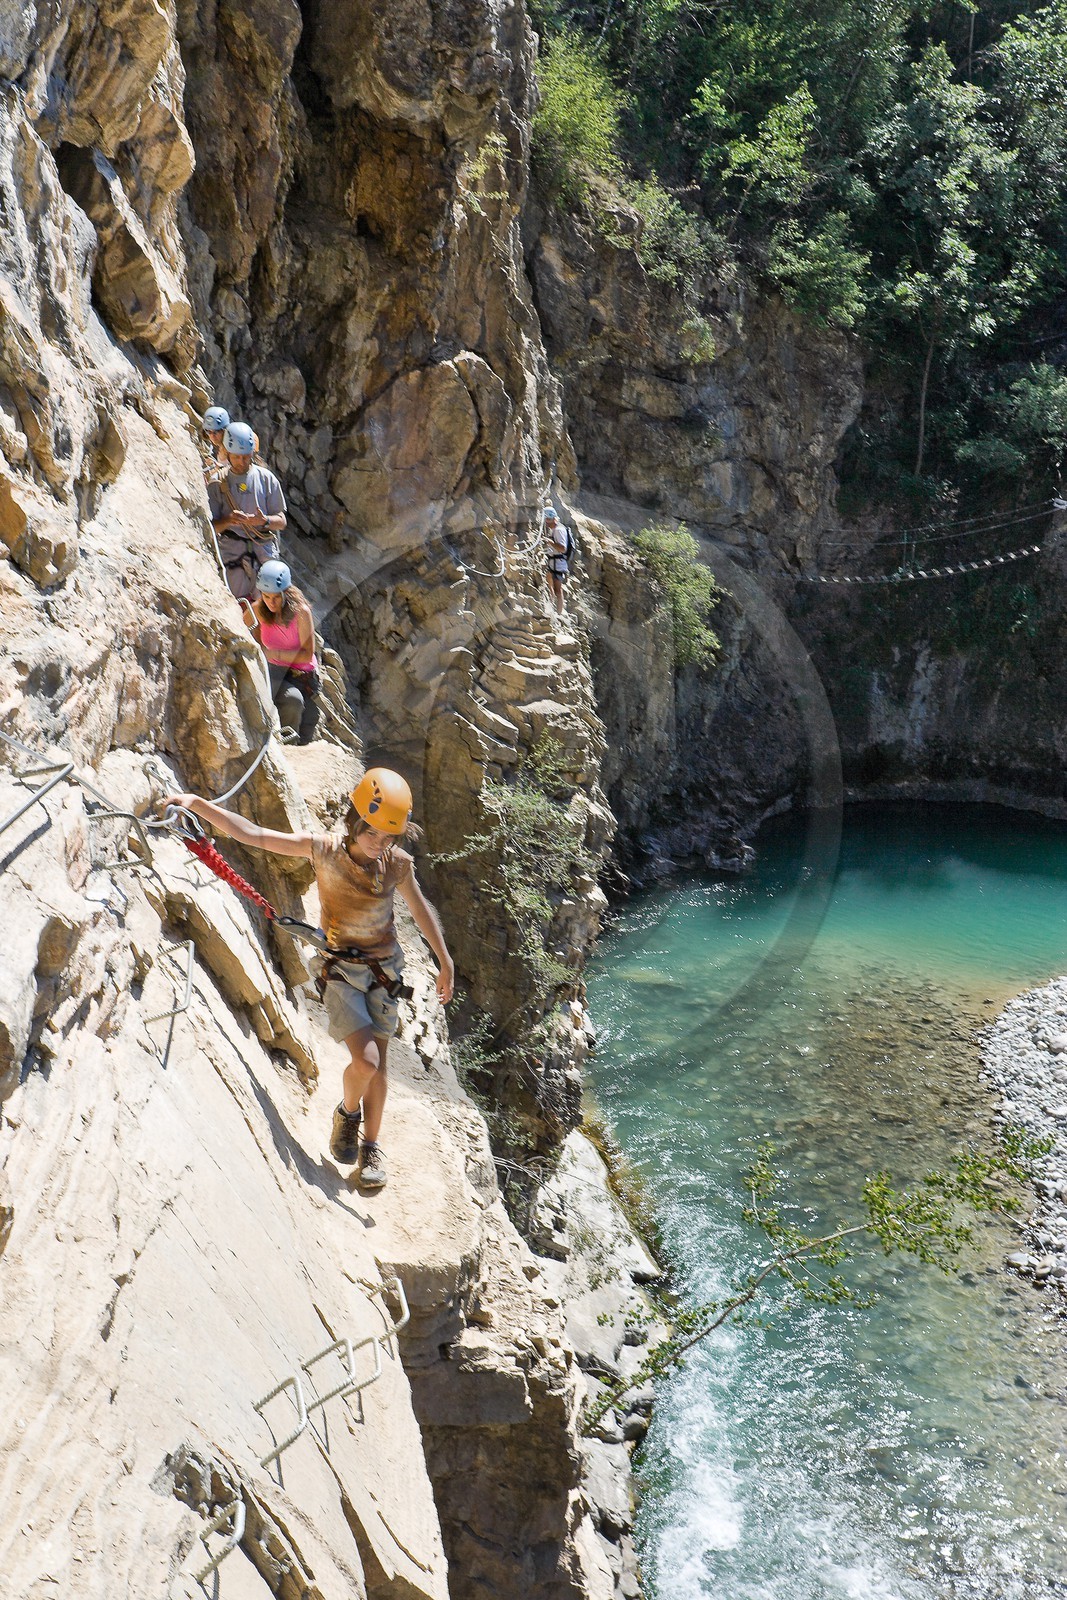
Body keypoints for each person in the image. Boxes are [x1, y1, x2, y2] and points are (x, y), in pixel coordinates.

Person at [162, 768, 455, 1187]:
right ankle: (347, 1113)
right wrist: (197, 804)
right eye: (373, 832)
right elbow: (255, 835)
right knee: (366, 1061)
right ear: (356, 819)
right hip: (341, 972)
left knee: (380, 1065)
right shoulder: (323, 850)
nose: (380, 844)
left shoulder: (396, 865)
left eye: (389, 837)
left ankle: (371, 1148)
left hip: (385, 973)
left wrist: (444, 959)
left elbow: (421, 909)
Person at [240, 559, 320, 745]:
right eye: (266, 596)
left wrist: (274, 654)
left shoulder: (301, 612)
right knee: (293, 701)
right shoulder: (258, 610)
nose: (271, 602)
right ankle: (287, 746)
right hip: (274, 673)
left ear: (286, 592)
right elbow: (243, 631)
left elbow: (307, 654)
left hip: (302, 675)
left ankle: (297, 747)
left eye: (276, 597)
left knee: (309, 723)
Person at [208, 421, 286, 599]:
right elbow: (210, 529)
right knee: (237, 603)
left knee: (270, 603)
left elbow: (281, 521)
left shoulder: (267, 479)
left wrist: (264, 520)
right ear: (227, 453)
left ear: (252, 452)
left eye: (245, 456)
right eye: (236, 457)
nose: (241, 462)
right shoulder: (217, 483)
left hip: (263, 548)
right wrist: (228, 520)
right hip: (232, 553)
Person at [544, 505, 572, 614]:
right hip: (554, 562)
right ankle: (551, 606)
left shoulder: (559, 530)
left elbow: (562, 548)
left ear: (550, 519)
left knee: (558, 590)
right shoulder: (555, 529)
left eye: (546, 519)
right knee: (550, 582)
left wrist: (549, 542)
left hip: (558, 564)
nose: (546, 522)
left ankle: (559, 614)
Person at [201, 405, 230, 484]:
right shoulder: (221, 447)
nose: (212, 436)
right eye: (208, 432)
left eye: (216, 432)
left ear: (224, 431)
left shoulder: (230, 449)